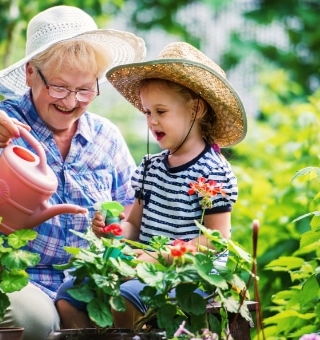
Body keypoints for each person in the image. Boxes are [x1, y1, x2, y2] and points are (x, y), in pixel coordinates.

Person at [0, 5, 146, 340]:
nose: (71, 101)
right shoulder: (2, 120)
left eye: (85, 89)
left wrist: (115, 232)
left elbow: (132, 219)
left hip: (74, 286)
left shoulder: (106, 139)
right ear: (31, 73)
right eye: (59, 87)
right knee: (32, 320)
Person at [55, 41, 247, 329]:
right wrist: (113, 231)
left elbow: (214, 241)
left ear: (196, 109)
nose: (152, 121)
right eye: (146, 112)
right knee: (69, 295)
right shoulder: (150, 168)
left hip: (189, 275)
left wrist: (160, 256)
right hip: (144, 267)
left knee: (124, 297)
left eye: (161, 111)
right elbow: (134, 225)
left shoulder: (213, 172)